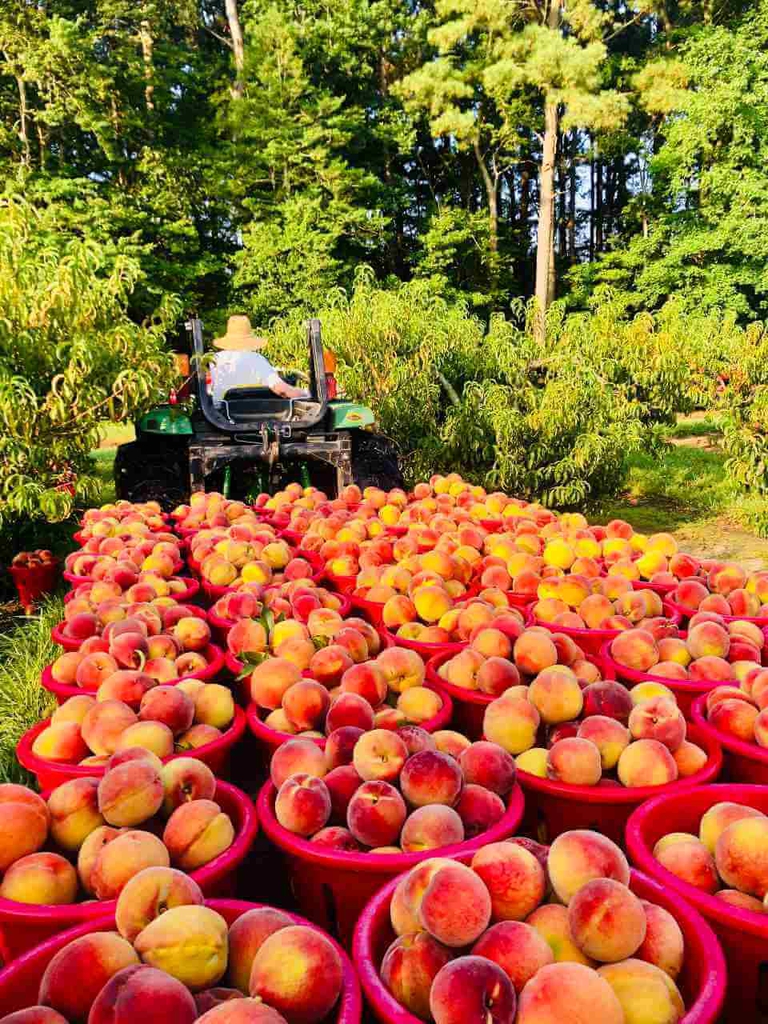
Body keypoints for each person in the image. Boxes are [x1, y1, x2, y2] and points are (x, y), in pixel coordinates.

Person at [209, 315, 310, 404]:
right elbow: (281, 390)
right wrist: (305, 393)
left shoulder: (215, 359)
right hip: (254, 415)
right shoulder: (256, 359)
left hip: (221, 416)